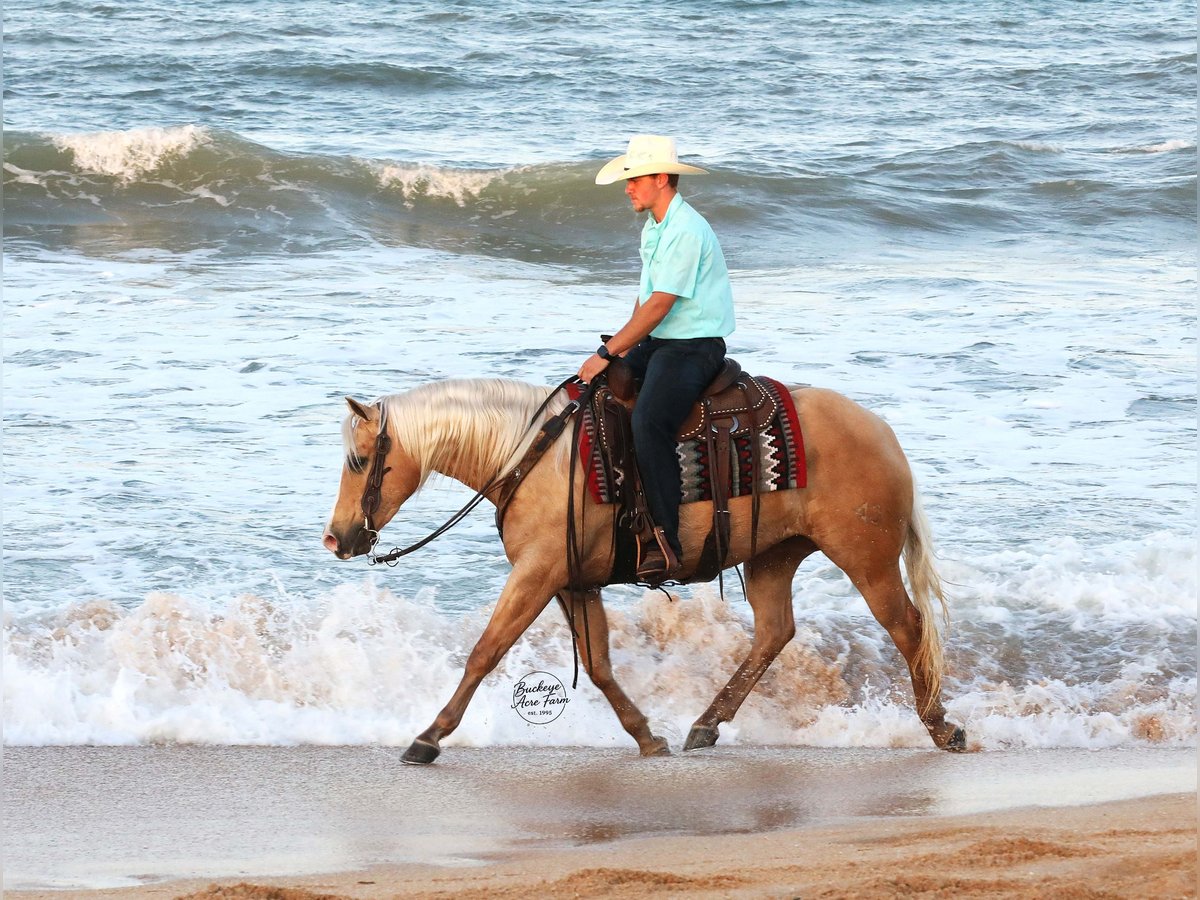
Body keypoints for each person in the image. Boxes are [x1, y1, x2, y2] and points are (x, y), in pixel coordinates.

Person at [578, 135, 735, 584]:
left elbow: (660, 305)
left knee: (648, 419)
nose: (627, 188)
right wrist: (619, 353)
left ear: (661, 179)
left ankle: (664, 538)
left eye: (634, 179)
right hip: (661, 341)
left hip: (693, 346)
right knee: (590, 394)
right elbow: (643, 301)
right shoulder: (656, 226)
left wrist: (607, 351)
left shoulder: (685, 230)